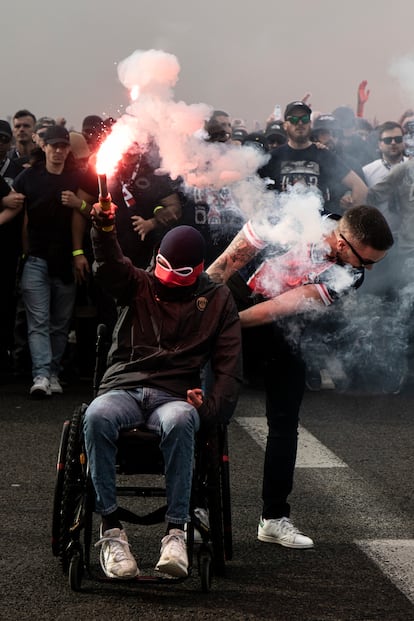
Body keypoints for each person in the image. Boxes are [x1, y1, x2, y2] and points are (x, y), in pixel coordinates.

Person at [207, 203, 394, 548]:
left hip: (280, 324)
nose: (367, 270)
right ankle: (198, 505)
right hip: (231, 298)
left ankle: (274, 517)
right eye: (366, 260)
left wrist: (230, 326)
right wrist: (202, 313)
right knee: (211, 411)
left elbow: (285, 305)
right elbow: (226, 263)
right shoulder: (289, 215)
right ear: (342, 244)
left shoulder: (350, 274)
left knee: (284, 419)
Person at [82, 215, 242, 579]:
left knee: (184, 419)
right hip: (123, 386)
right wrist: (104, 229)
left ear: (197, 270)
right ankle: (111, 530)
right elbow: (109, 263)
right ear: (156, 259)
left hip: (174, 395)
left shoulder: (217, 300)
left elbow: (230, 365)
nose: (167, 280)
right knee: (95, 416)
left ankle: (176, 533)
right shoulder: (136, 282)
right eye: (163, 267)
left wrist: (210, 409)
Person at [0, 125, 89, 397]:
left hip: (66, 261)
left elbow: (93, 213)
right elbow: (19, 213)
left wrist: (78, 204)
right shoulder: (29, 177)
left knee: (60, 323)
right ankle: (41, 374)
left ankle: (52, 372)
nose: (59, 151)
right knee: (38, 321)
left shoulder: (78, 177)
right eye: (54, 146)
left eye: (63, 146)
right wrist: (26, 255)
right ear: (45, 147)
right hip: (36, 259)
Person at [259, 101, 368, 212]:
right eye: (294, 120)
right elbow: (251, 190)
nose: (300, 123)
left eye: (304, 119)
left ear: (310, 123)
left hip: (319, 225)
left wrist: (349, 217)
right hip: (284, 226)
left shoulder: (324, 155)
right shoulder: (274, 157)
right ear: (285, 125)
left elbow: (361, 188)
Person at [362, 122, 407, 188]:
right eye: (388, 140)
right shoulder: (367, 172)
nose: (393, 143)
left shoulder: (411, 166)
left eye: (398, 139)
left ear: (403, 141)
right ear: (380, 144)